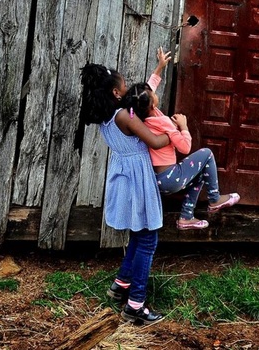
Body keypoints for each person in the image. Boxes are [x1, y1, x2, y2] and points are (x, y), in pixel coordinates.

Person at [80, 62, 169, 326]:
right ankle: (135, 306)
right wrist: (177, 132)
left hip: (125, 182)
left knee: (138, 236)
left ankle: (120, 285)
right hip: (138, 182)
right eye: (124, 84)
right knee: (148, 241)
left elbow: (141, 96)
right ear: (117, 93)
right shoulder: (125, 116)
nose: (129, 86)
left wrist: (159, 70)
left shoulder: (108, 117)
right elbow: (154, 141)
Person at [124, 48, 240, 231]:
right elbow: (185, 148)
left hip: (158, 179)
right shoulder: (163, 122)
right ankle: (215, 199)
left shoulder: (139, 116)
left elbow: (148, 90)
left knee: (200, 173)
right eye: (152, 93)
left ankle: (186, 218)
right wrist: (183, 126)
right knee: (206, 154)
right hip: (171, 177)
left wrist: (160, 67)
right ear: (153, 103)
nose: (154, 91)